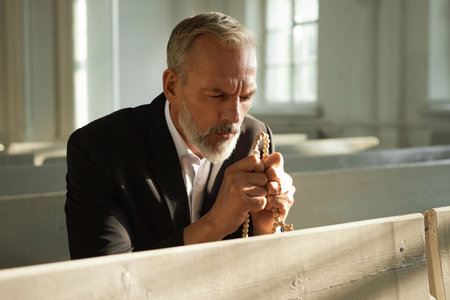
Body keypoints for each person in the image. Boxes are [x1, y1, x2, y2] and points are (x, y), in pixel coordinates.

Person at [65, 12, 295, 259]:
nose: (235, 116)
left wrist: (265, 227)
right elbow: (105, 280)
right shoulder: (99, 149)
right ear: (172, 87)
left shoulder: (256, 138)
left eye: (246, 96)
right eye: (217, 95)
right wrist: (215, 224)